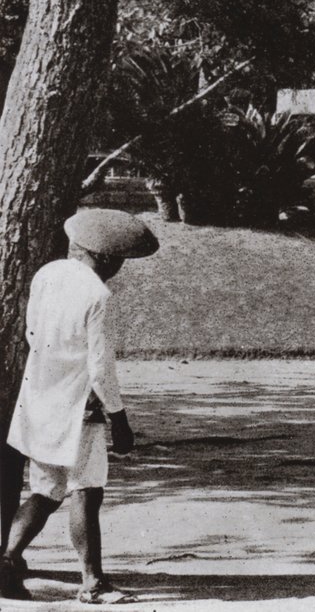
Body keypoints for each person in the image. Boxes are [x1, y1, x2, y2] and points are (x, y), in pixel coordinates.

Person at [0, 209, 158, 604]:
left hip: (39, 395)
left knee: (47, 488)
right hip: (78, 406)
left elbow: (32, 331)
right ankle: (93, 582)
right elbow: (100, 366)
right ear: (104, 257)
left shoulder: (47, 275)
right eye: (118, 260)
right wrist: (118, 419)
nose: (118, 268)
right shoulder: (97, 295)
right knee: (87, 490)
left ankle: (6, 561)